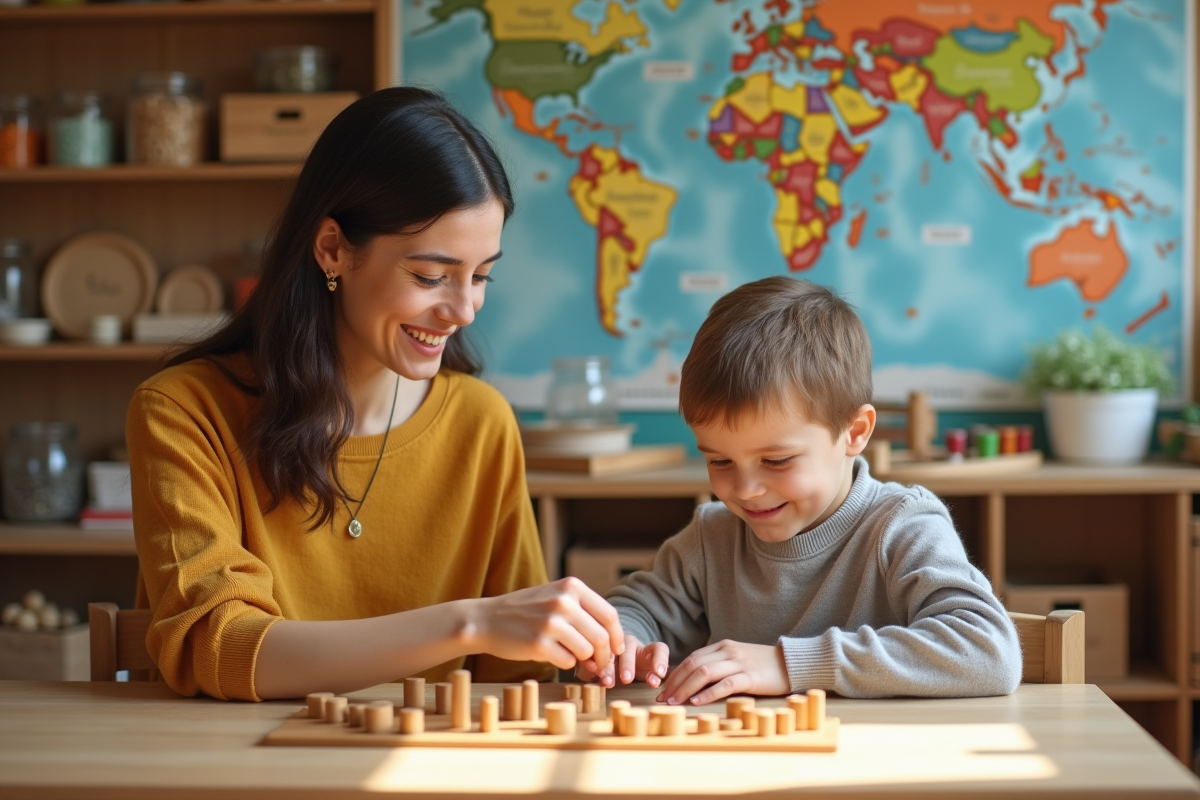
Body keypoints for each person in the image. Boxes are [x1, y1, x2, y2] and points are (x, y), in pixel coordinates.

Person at [127, 88, 623, 702]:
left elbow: (516, 679)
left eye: (482, 275)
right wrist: (471, 623)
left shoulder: (480, 421)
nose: (464, 309)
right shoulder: (184, 412)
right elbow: (221, 647)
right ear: (333, 248)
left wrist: (597, 656)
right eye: (430, 276)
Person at [580, 277, 1021, 704]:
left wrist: (788, 665)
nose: (746, 490)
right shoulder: (711, 537)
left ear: (854, 432)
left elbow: (989, 651)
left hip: (878, 768)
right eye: (719, 460)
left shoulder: (903, 526)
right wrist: (623, 644)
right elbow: (634, 608)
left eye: (776, 460)